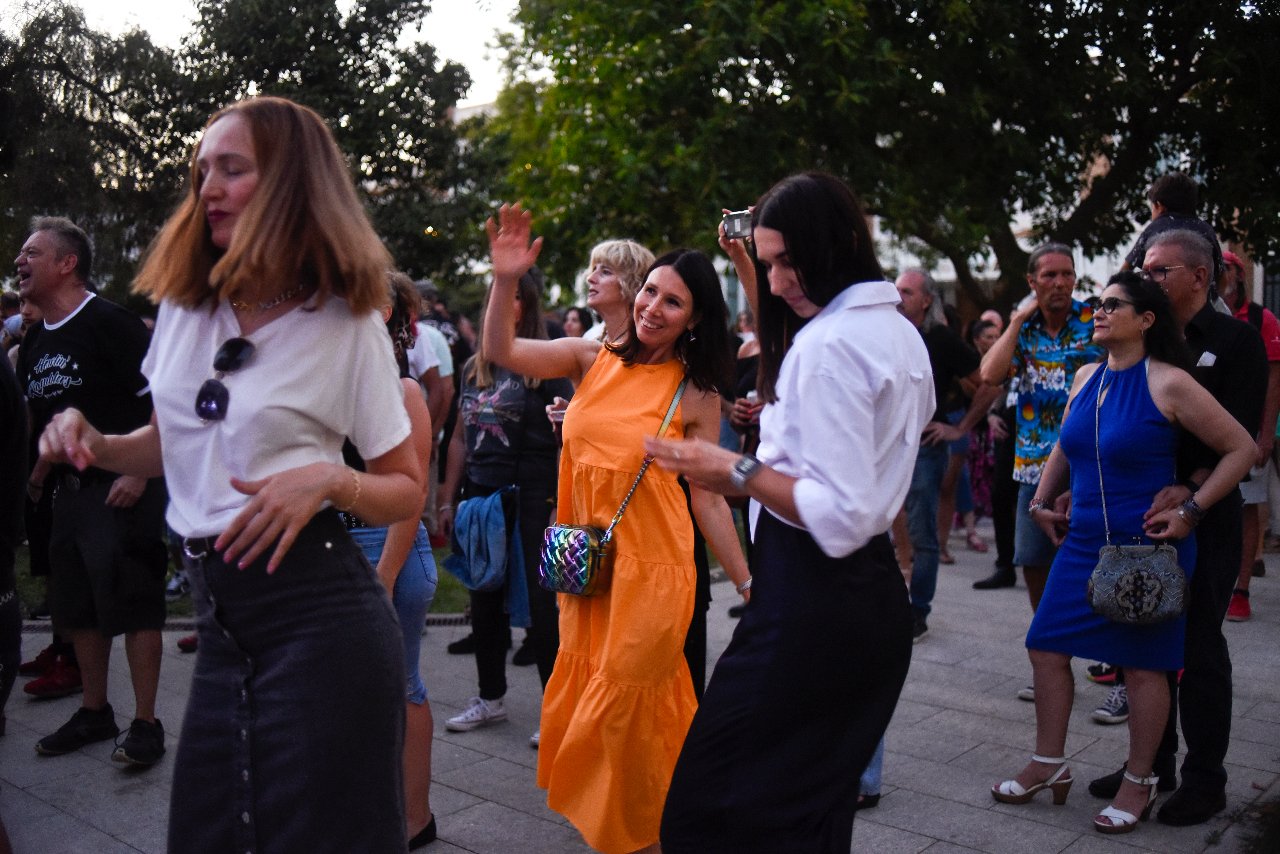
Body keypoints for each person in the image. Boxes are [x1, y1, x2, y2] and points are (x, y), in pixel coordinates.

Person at [38, 96, 424, 852]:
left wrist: (327, 480)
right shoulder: (187, 307)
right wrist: (100, 442)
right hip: (220, 630)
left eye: (233, 168)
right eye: (202, 169)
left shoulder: (348, 323)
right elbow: (175, 439)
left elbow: (405, 484)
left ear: (289, 182)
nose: (207, 186)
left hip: (320, 622)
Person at [649, 172, 933, 853]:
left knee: (701, 816)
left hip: (812, 607)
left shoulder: (833, 347)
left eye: (784, 261)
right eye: (765, 262)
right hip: (861, 607)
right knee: (808, 817)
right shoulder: (893, 332)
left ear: (829, 247)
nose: (775, 282)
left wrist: (732, 469)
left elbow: (839, 513)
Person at [482, 203, 749, 854]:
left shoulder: (696, 389)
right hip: (588, 570)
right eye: (651, 291)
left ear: (695, 318)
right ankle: (648, 831)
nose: (654, 308)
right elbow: (501, 349)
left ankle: (649, 837)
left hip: (655, 576)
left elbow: (710, 499)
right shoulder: (587, 357)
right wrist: (506, 280)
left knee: (626, 717)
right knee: (601, 718)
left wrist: (750, 582)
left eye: (674, 302)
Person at [993, 271, 1253, 836]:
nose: (1100, 312)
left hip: (1144, 551)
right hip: (1082, 540)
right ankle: (1048, 761)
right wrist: (1041, 498)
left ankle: (1140, 781)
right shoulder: (1087, 375)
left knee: (1141, 666)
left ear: (1146, 319)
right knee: (1044, 646)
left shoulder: (1170, 382)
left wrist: (1192, 510)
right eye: (1098, 304)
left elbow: (1242, 448)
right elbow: (1067, 444)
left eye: (1114, 304)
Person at [1089, 229, 1268, 826]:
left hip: (1205, 522)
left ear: (1201, 275)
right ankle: (1150, 766)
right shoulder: (1148, 340)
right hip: (1142, 520)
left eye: (1162, 269)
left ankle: (1205, 779)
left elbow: (1240, 440)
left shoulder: (1236, 342)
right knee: (1145, 646)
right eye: (1146, 265)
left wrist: (1191, 491)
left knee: (1198, 649)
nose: (1150, 275)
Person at [14, 216, 169, 765]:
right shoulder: (36, 340)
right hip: (69, 496)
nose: (19, 261)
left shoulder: (111, 322)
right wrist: (36, 480)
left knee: (135, 602)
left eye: (32, 251)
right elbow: (41, 421)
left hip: (123, 486)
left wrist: (140, 472)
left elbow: (163, 399)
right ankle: (95, 711)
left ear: (67, 262)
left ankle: (147, 722)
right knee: (77, 607)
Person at [438, 267, 572, 747]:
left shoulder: (550, 361)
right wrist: (447, 497)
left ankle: (557, 712)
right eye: (495, 291)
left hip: (535, 495)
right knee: (484, 600)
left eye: (509, 293)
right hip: (481, 497)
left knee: (542, 607)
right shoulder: (474, 365)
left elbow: (569, 438)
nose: (498, 300)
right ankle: (489, 699)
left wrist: (562, 503)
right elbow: (458, 435)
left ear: (526, 302)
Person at [978, 244, 1103, 701]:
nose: (1059, 283)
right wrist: (1014, 320)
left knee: (1098, 561)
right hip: (1034, 465)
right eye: (1049, 275)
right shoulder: (1024, 328)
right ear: (1032, 282)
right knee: (1032, 561)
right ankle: (1050, 654)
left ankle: (1116, 664)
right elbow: (989, 374)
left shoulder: (1094, 319)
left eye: (1067, 274)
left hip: (1092, 463)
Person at [345, 272, 440, 849]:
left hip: (389, 554)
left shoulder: (402, 391)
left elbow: (413, 496)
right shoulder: (343, 383)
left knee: (402, 684)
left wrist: (383, 577)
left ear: (382, 311)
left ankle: (415, 819)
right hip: (342, 551)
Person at [897, 268, 1000, 641]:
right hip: (889, 448)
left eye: (907, 292)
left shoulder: (939, 338)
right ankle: (890, 604)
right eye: (896, 291)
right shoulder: (889, 334)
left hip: (926, 447)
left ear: (926, 299)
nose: (899, 298)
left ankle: (917, 611)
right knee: (888, 528)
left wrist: (961, 427)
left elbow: (988, 384)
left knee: (923, 535)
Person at [1218, 249, 1280, 621]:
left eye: (1225, 267)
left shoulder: (1261, 319)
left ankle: (1240, 590)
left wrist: (1265, 437)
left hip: (1247, 428)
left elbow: (1275, 381)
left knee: (1247, 505)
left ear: (1239, 275)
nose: (1220, 274)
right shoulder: (1200, 317)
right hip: (1209, 428)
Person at [580, 238, 655, 345]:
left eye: (605, 272)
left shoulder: (648, 347)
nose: (590, 278)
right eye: (593, 269)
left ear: (635, 284)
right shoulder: (590, 337)